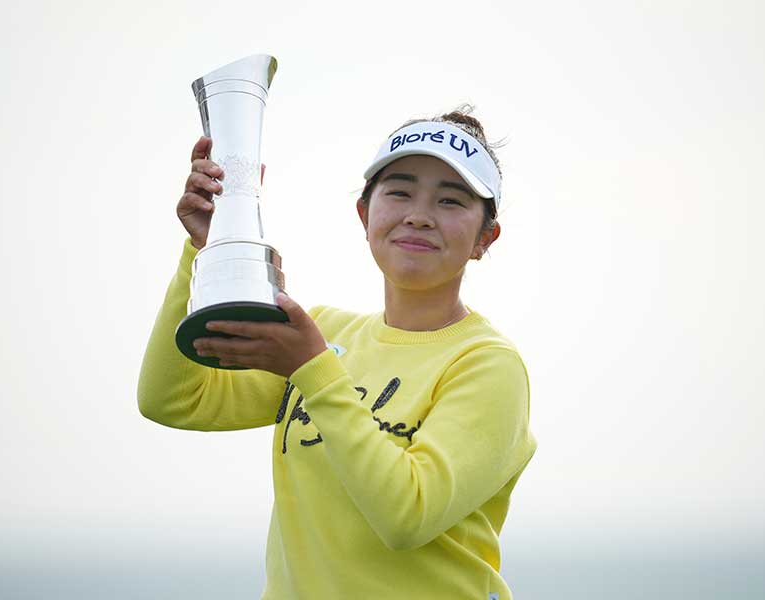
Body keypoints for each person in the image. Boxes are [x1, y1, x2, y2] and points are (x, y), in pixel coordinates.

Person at [138, 106, 537, 599]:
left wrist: (313, 370)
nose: (419, 214)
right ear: (364, 214)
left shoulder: (487, 363)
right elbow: (175, 399)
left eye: (451, 201)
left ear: (484, 238)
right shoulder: (325, 332)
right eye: (400, 191)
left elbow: (406, 516)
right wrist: (207, 251)